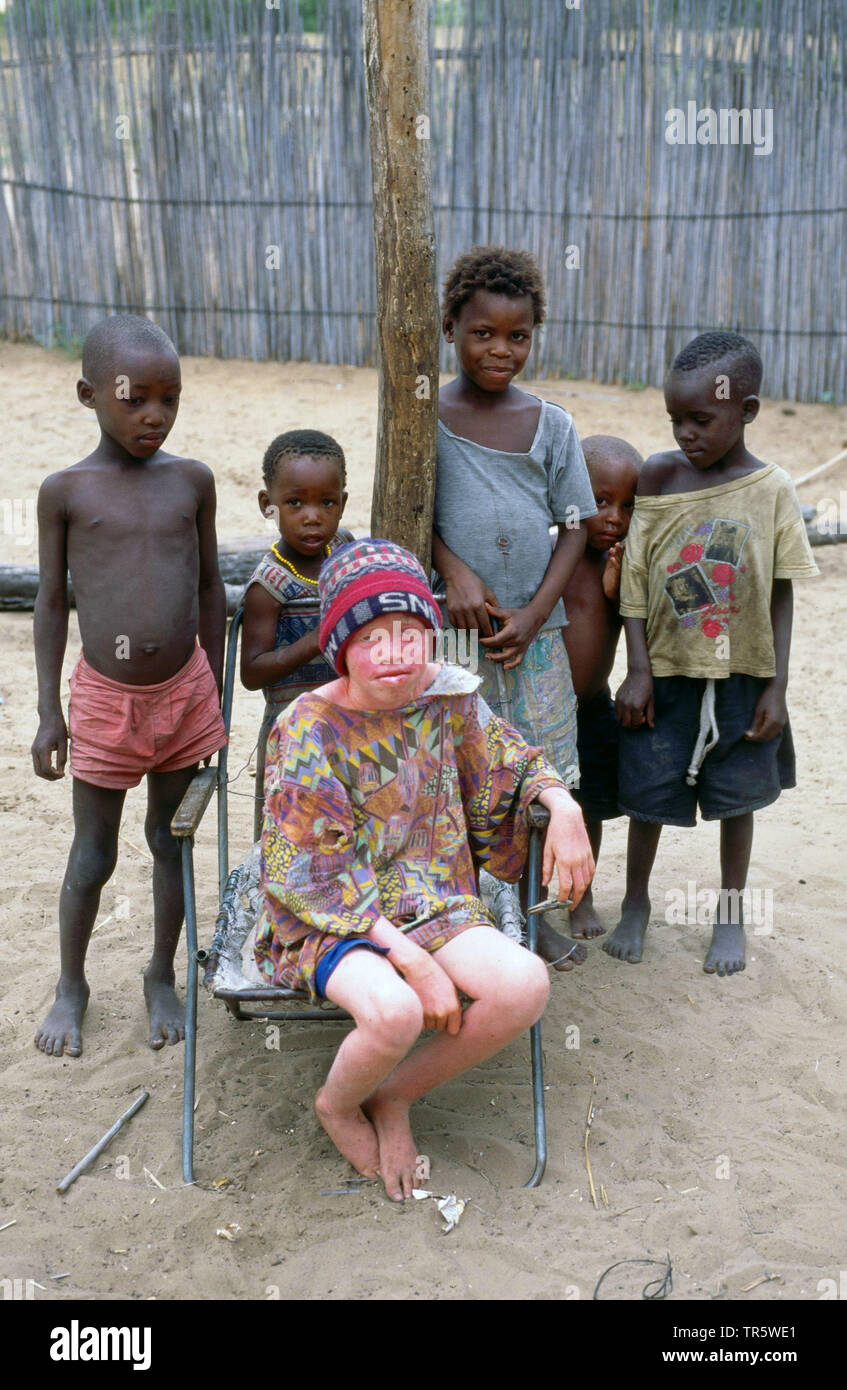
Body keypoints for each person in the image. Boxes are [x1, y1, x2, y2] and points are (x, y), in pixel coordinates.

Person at [254, 539, 595, 1201]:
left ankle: (393, 1097)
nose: (394, 651)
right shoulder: (307, 726)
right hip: (335, 918)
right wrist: (414, 962)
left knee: (523, 985)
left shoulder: (449, 700)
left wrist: (562, 804)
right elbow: (309, 875)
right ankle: (336, 1103)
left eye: (409, 631)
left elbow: (514, 760)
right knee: (394, 1014)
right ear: (338, 644)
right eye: (371, 635)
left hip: (433, 897)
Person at [31, 314, 227, 1057]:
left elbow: (210, 586)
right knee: (94, 854)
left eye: (169, 399)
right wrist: (51, 711)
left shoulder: (192, 482)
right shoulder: (66, 492)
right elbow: (52, 603)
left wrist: (210, 682)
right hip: (107, 701)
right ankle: (71, 984)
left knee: (169, 843)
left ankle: (160, 973)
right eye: (134, 397)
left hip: (184, 694)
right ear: (89, 394)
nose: (154, 415)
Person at [607, 331, 818, 975]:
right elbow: (637, 577)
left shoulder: (772, 489)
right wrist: (637, 669)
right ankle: (636, 902)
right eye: (675, 420)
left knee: (737, 799)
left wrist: (776, 686)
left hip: (742, 675)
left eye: (701, 419)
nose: (686, 434)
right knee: (648, 793)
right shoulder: (659, 477)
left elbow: (781, 593)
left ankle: (730, 915)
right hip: (665, 673)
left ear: (746, 411)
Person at [431, 246, 597, 972]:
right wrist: (453, 570)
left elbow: (575, 525)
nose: (501, 349)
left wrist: (534, 614)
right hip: (455, 636)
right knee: (459, 772)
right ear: (449, 328)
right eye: (482, 333)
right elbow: (407, 510)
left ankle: (534, 915)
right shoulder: (423, 417)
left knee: (541, 774)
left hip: (535, 637)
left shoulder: (550, 424)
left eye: (517, 335)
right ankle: (472, 917)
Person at [239, 429, 353, 836]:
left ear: (342, 503)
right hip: (292, 733)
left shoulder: (343, 549)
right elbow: (251, 673)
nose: (312, 516)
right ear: (268, 506)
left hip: (351, 724)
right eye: (295, 502)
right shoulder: (268, 586)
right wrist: (315, 639)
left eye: (327, 502)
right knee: (291, 834)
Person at [561, 435, 642, 939]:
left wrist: (618, 589)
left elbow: (639, 626)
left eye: (628, 504)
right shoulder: (555, 555)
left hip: (592, 705)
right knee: (535, 807)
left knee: (590, 807)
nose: (613, 516)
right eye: (600, 501)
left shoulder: (625, 562)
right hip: (542, 708)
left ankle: (580, 896)